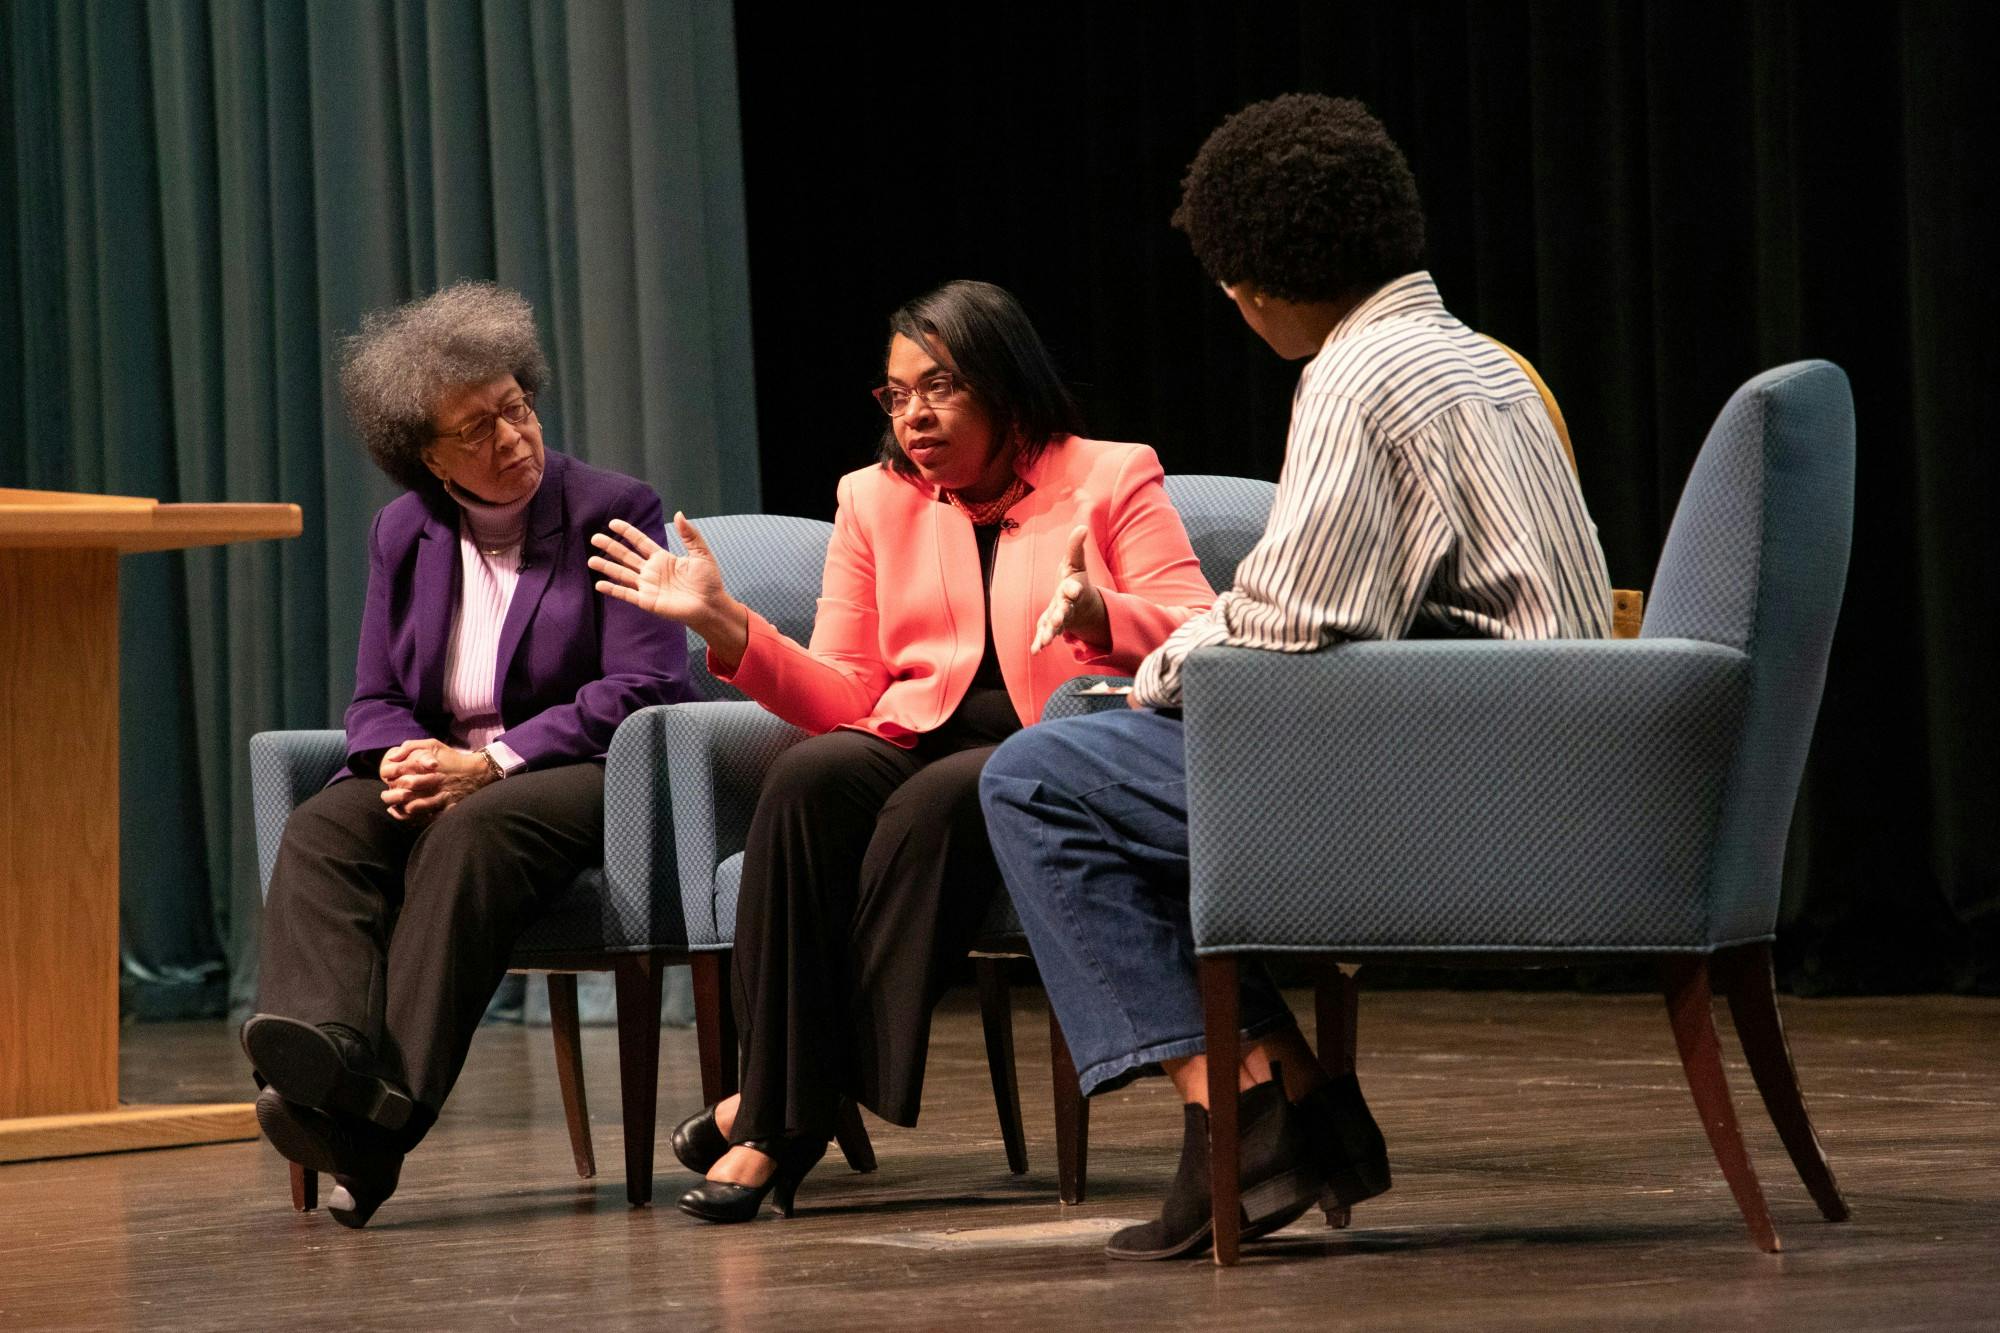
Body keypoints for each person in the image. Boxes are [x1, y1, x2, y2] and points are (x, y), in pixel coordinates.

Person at [979, 94, 1616, 1261]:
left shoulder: (1355, 375)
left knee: (1035, 779)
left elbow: (1299, 617)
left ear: (1254, 285)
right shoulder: (1480, 360)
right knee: (1099, 746)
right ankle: (1297, 1096)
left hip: (1464, 784)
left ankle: (1246, 1108)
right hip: (1534, 751)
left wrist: (1159, 664)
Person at [588, 279, 1215, 1224]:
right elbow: (843, 689)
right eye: (897, 392)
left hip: (1057, 734)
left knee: (931, 808)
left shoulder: (1113, 475)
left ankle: (771, 1118)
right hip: (920, 723)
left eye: (941, 386)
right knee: (807, 777)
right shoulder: (874, 499)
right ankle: (790, 1098)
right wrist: (730, 627)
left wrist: (1103, 617)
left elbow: (1200, 627)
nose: (913, 414)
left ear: (1005, 384)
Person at [242, 281, 688, 1228]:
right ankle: (328, 1055)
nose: (513, 437)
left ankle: (382, 1115)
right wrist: (402, 754)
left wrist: (491, 763)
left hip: (575, 776)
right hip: (447, 768)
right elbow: (375, 697)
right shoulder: (403, 534)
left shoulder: (615, 508)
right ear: (426, 460)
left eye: (516, 406)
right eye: (477, 429)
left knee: (472, 831)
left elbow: (644, 687)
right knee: (323, 828)